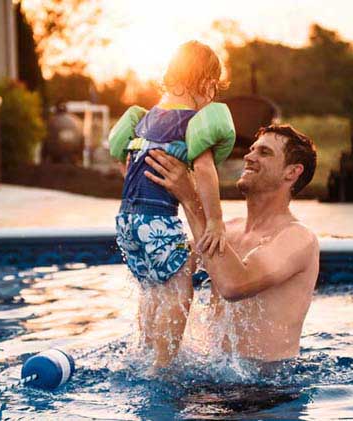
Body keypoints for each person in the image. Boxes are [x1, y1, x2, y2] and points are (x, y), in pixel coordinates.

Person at [108, 41, 236, 368]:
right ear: (207, 85)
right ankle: (163, 367)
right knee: (180, 290)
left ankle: (147, 352)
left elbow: (129, 166)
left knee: (153, 290)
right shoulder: (191, 122)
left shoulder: (146, 119)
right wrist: (215, 222)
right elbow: (205, 170)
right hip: (158, 220)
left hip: (126, 220)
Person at [144, 124, 319, 362]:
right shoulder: (230, 229)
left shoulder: (298, 238)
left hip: (267, 390)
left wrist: (190, 197)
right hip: (217, 374)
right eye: (252, 149)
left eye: (264, 153)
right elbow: (172, 263)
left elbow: (234, 285)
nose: (249, 157)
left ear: (292, 172)